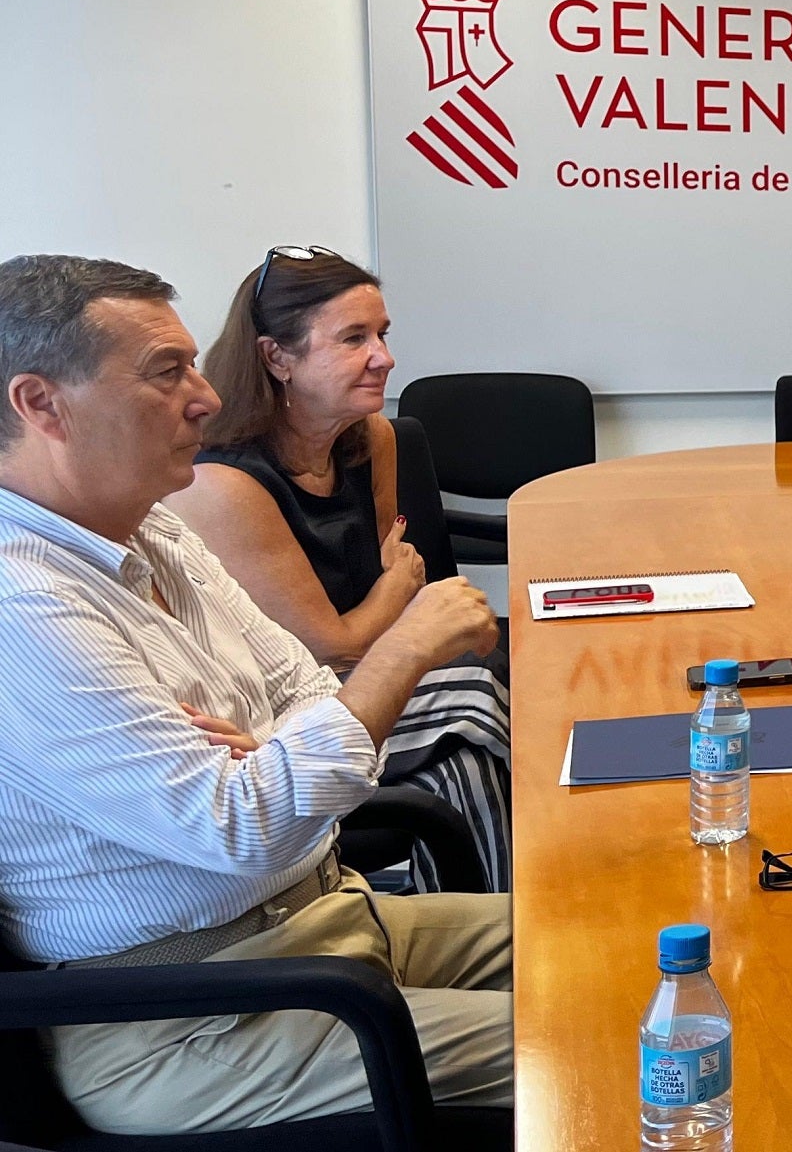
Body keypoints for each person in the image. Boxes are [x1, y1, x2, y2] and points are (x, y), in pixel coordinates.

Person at [0, 255, 511, 1133]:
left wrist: (276, 750)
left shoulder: (155, 528)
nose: (205, 396)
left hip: (326, 925)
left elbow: (308, 690)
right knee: (635, 1030)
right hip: (192, 1014)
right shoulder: (23, 603)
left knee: (628, 942)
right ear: (41, 403)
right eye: (168, 372)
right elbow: (248, 821)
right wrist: (406, 650)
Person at [167, 246, 512, 892]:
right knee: (470, 706)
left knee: (490, 700)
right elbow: (336, 639)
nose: (384, 356)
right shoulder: (222, 481)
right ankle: (503, 924)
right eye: (355, 338)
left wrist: (400, 602)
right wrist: (398, 598)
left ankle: (506, 906)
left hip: (360, 676)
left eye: (381, 334)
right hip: (280, 712)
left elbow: (393, 587)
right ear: (277, 357)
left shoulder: (369, 435)